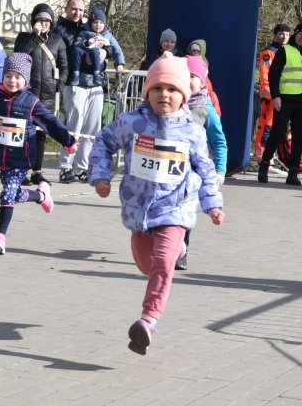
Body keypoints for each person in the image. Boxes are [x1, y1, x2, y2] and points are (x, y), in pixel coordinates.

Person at [89, 52, 224, 355]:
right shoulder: (133, 122)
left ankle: (148, 320)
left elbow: (205, 169)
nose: (165, 95)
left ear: (184, 96)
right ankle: (175, 250)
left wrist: (212, 204)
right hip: (138, 211)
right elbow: (104, 142)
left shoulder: (192, 130)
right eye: (158, 88)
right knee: (145, 264)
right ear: (147, 91)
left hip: (174, 209)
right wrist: (100, 175)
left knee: (163, 263)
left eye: (173, 89)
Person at [0, 53, 79, 254]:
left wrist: (68, 142)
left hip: (22, 158)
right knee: (13, 194)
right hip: (1, 157)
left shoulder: (30, 102)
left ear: (25, 79)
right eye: (8, 75)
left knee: (6, 194)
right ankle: (41, 196)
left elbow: (51, 122)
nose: (12, 80)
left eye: (17, 76)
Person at [257, 22, 302, 186]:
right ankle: (264, 164)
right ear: (295, 37)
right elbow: (273, 75)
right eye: (299, 34)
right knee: (277, 132)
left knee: (299, 138)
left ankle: (293, 173)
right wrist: (275, 96)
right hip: (285, 99)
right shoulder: (285, 51)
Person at [177, 54, 227, 271]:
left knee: (186, 210)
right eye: (183, 75)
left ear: (202, 81)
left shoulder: (206, 109)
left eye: (192, 76)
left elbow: (219, 141)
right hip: (169, 167)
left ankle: (181, 251)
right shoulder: (170, 102)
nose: (187, 80)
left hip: (194, 171)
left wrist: (221, 170)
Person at [13, 2, 69, 186]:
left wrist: (58, 84)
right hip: (27, 93)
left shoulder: (57, 40)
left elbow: (64, 66)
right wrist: (34, 37)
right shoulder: (24, 38)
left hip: (47, 95)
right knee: (23, 133)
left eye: (47, 20)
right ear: (33, 21)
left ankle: (37, 171)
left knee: (40, 134)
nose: (43, 23)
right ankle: (21, 171)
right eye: (40, 19)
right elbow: (19, 56)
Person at [52, 0, 104, 183]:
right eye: (74, 9)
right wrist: (87, 59)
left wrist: (105, 55)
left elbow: (107, 45)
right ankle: (66, 167)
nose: (77, 13)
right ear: (66, 9)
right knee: (74, 126)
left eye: (81, 10)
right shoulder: (59, 30)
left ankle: (82, 167)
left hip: (95, 84)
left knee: (91, 129)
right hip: (74, 83)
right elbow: (64, 56)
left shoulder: (87, 27)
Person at [252, 23, 291, 158]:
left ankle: (272, 155)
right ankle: (261, 154)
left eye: (287, 34)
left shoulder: (287, 52)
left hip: (283, 95)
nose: (284, 37)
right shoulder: (269, 52)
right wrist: (270, 95)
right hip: (270, 97)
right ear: (275, 35)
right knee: (266, 126)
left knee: (278, 128)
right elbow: (265, 74)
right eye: (281, 33)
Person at [71, 9, 125, 86]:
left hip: (100, 62)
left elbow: (117, 49)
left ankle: (97, 75)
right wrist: (87, 43)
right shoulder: (84, 32)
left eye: (101, 23)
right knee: (77, 50)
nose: (98, 25)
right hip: (85, 60)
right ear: (90, 23)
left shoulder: (108, 35)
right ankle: (76, 74)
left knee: (94, 50)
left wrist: (119, 63)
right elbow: (77, 44)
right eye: (95, 22)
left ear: (104, 24)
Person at [185, 39, 221, 116]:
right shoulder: (187, 61)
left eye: (197, 51)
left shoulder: (205, 85)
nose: (195, 53)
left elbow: (210, 94)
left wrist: (214, 115)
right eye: (193, 50)